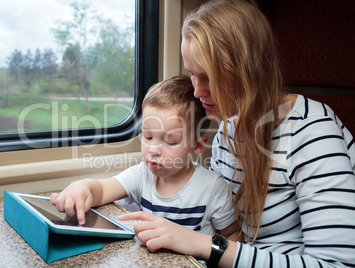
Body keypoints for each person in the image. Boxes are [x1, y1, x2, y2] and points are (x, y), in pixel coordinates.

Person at [118, 0, 355, 267]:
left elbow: (338, 264)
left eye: (208, 76)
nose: (197, 91)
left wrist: (202, 244)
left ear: (248, 70)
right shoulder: (228, 131)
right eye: (192, 75)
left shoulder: (312, 131)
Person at [50, 75, 242, 240]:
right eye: (148, 137)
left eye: (170, 142)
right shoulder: (143, 174)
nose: (153, 149)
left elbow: (232, 234)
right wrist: (81, 188)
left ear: (199, 145)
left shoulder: (213, 187)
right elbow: (100, 189)